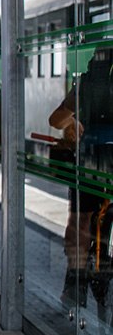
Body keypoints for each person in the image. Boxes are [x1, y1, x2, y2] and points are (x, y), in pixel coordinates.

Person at [48, 47, 113, 309]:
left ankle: (74, 284)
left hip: (88, 157)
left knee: (80, 219)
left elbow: (56, 119)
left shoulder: (86, 81)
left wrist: (73, 125)